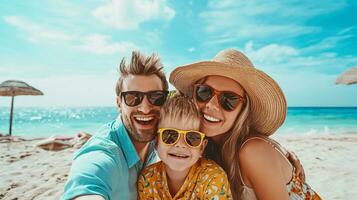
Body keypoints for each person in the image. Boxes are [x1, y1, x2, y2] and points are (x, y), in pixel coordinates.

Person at [169, 49, 321, 199]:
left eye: (229, 99)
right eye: (204, 92)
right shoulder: (202, 148)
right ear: (192, 96)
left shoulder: (253, 151)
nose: (212, 105)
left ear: (244, 110)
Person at [62, 51, 169, 200]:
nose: (145, 108)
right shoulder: (104, 154)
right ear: (119, 103)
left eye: (156, 97)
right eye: (133, 98)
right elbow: (88, 181)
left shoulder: (159, 140)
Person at [138, 95, 232, 199]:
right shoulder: (147, 179)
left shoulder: (213, 178)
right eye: (170, 135)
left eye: (192, 137)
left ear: (201, 147)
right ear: (156, 143)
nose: (180, 144)